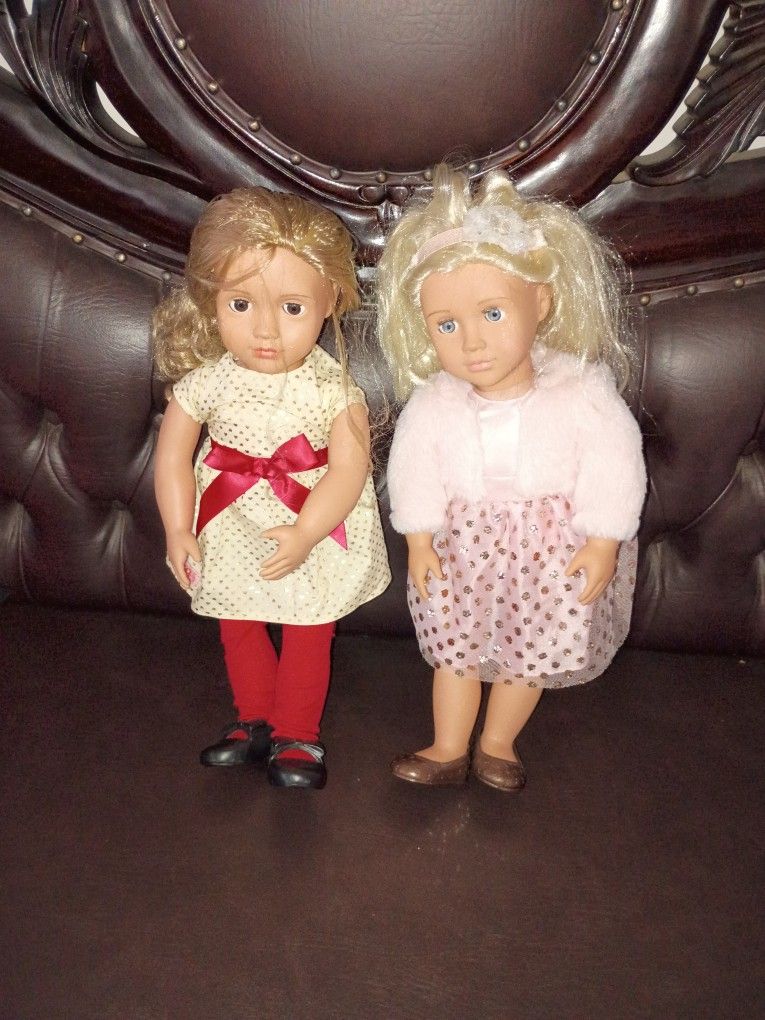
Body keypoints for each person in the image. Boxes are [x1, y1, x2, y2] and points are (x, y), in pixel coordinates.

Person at [377, 164, 646, 791]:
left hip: (548, 553)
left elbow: (615, 460)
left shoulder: (582, 390)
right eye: (446, 326)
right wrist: (418, 537)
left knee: (529, 652)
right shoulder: (435, 401)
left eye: (492, 313)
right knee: (454, 650)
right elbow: (412, 467)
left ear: (541, 302)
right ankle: (448, 747)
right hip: (462, 550)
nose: (471, 342)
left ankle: (497, 744)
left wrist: (603, 538)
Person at [153, 186, 390, 789]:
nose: (265, 329)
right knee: (237, 620)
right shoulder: (205, 383)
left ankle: (297, 733)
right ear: (211, 299)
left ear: (328, 300)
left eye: (291, 308)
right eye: (240, 304)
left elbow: (348, 471)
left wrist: (307, 530)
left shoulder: (335, 390)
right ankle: (254, 720)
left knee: (310, 627)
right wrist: (178, 527)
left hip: (310, 521)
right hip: (229, 519)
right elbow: (173, 455)